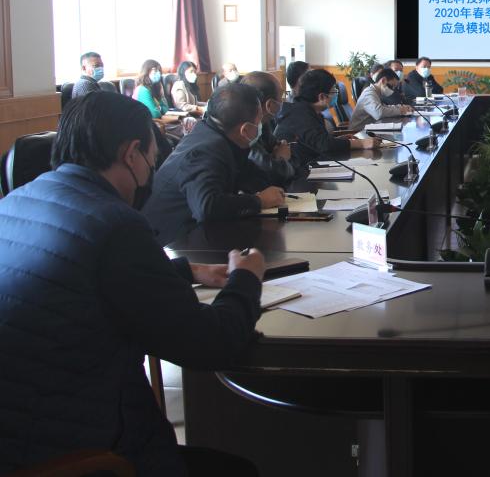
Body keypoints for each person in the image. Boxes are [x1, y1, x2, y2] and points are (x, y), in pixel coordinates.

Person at [0, 91, 265, 475]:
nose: (150, 174)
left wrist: (186, 271)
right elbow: (211, 344)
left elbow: (80, 280)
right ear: (131, 154)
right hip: (85, 454)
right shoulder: (115, 223)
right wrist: (246, 278)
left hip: (22, 434)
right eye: (151, 161)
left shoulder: (16, 201)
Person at [142, 83, 286, 246]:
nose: (261, 126)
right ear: (245, 130)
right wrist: (259, 201)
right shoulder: (206, 150)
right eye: (259, 121)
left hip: (195, 237)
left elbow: (251, 177)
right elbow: (207, 206)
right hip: (170, 244)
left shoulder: (220, 136)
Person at [275, 69, 380, 168]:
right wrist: (361, 143)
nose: (336, 94)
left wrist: (338, 140)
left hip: (309, 164)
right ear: (321, 97)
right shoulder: (299, 115)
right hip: (295, 172)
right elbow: (324, 145)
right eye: (334, 91)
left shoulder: (308, 111)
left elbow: (316, 142)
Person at [242, 71, 297, 187]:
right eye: (282, 96)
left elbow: (291, 157)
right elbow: (274, 175)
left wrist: (279, 159)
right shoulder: (244, 132)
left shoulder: (264, 123)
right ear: (270, 105)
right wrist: (281, 158)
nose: (284, 101)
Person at [349, 68, 413, 132]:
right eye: (392, 86)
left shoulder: (375, 92)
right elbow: (378, 113)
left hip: (370, 128)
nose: (393, 90)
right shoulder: (368, 93)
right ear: (383, 80)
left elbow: (383, 107)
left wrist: (400, 107)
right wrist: (400, 111)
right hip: (358, 132)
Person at [134, 59, 180, 129]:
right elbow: (154, 114)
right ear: (146, 71)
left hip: (158, 123)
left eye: (159, 71)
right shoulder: (142, 90)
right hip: (146, 127)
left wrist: (159, 108)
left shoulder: (155, 88)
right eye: (155, 70)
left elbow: (166, 109)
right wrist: (160, 108)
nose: (158, 73)